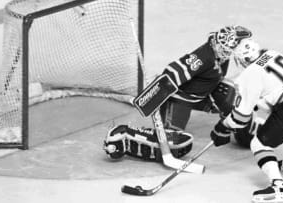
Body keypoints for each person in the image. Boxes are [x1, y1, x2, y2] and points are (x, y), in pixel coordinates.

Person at [104, 25, 252, 162]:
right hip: (179, 99)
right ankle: (124, 135)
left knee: (231, 94)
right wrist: (155, 94)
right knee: (173, 144)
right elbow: (173, 72)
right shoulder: (203, 57)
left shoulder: (222, 54)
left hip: (202, 94)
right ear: (224, 47)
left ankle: (242, 132)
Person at [209, 38, 283, 203]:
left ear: (241, 60)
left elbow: (241, 118)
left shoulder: (249, 74)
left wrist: (222, 127)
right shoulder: (273, 53)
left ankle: (277, 189)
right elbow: (275, 85)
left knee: (259, 144)